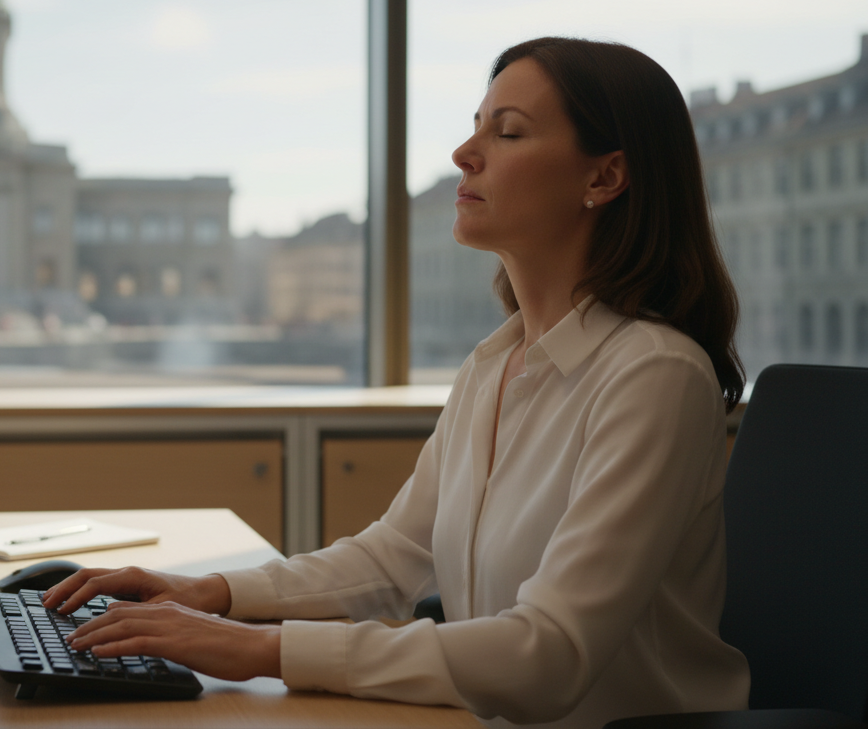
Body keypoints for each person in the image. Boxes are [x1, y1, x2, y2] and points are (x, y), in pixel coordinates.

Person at [41, 37, 750, 729]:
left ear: (603, 178)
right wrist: (214, 594)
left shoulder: (655, 375)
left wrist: (261, 649)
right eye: (476, 128)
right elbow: (392, 557)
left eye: (506, 133)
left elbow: (549, 654)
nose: (463, 155)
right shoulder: (492, 365)